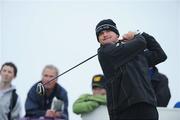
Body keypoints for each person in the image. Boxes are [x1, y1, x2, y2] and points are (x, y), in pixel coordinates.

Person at [95, 19, 167, 120]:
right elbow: (140, 43)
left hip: (148, 107)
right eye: (101, 34)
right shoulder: (104, 52)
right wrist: (136, 36)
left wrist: (142, 34)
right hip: (124, 110)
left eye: (108, 31)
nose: (105, 34)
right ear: (99, 40)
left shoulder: (136, 54)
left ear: (117, 35)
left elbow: (160, 55)